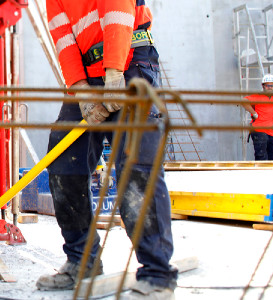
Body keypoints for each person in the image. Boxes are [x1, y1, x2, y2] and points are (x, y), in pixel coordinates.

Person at [37, 0, 177, 298]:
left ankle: (156, 273)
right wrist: (83, 91)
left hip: (131, 59)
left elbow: (117, 9)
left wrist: (114, 73)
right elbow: (64, 40)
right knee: (64, 163)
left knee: (136, 167)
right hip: (87, 73)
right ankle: (81, 260)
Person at [242, 74, 273, 160]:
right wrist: (254, 113)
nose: (270, 87)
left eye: (272, 85)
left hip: (269, 132)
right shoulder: (257, 96)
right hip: (258, 130)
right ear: (263, 86)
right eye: (267, 85)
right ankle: (261, 172)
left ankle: (271, 173)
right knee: (261, 156)